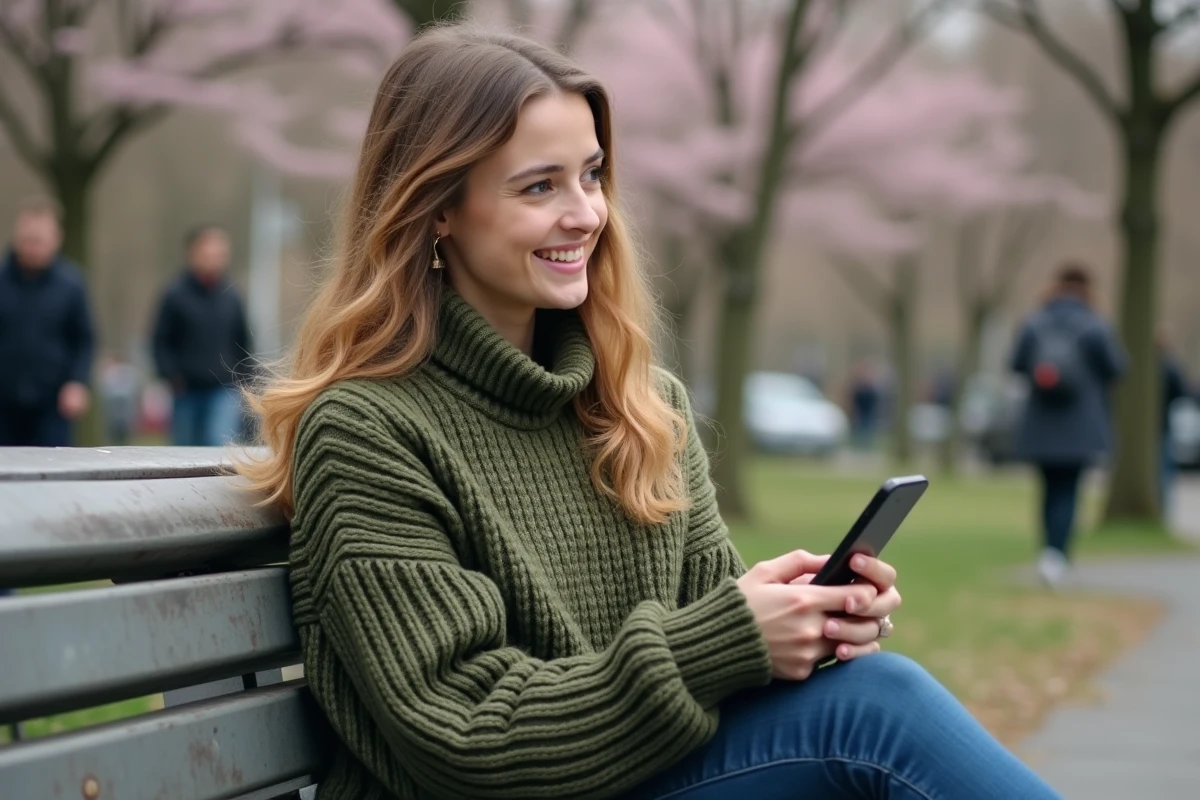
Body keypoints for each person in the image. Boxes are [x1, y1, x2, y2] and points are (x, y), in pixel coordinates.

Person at [238, 26, 1061, 800]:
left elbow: (712, 638)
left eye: (592, 175)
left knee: (869, 692)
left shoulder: (640, 406)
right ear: (437, 209)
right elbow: (467, 731)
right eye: (540, 186)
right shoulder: (367, 432)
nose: (586, 213)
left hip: (647, 774)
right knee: (875, 713)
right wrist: (728, 639)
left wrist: (807, 619)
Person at [1009, 265, 1126, 588]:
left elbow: (1016, 364)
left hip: (1042, 424)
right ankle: (1058, 555)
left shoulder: (1034, 322)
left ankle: (1048, 553)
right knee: (1069, 491)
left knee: (1048, 490)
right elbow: (1117, 368)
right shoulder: (1095, 325)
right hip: (1080, 425)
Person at [0, 198, 94, 447]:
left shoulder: (72, 285)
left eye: (39, 240)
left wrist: (77, 383)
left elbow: (84, 339)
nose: (32, 247)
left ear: (56, 239)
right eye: (27, 239)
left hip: (53, 405)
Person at [151, 225, 252, 446]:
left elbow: (243, 342)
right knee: (185, 449)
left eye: (220, 254)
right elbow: (160, 341)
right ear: (193, 254)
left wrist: (245, 380)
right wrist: (171, 375)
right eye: (208, 253)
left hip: (224, 389)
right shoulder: (175, 295)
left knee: (218, 445)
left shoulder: (232, 296)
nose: (214, 259)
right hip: (186, 390)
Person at [1157, 328, 1189, 515]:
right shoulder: (1169, 365)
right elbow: (1182, 390)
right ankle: (1165, 508)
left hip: (1156, 426)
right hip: (1163, 424)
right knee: (1165, 470)